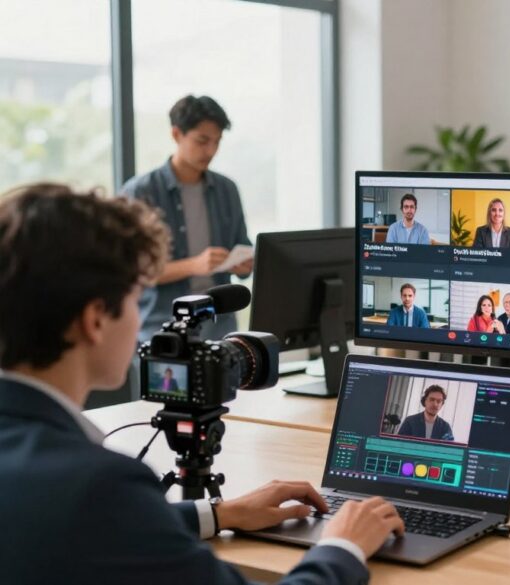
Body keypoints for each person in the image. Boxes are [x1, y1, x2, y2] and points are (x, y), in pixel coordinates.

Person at [0, 183, 404, 584]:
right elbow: (102, 512)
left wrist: (218, 514)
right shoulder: (100, 484)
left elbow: (93, 526)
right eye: (135, 299)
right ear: (95, 321)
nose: (140, 321)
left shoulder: (58, 479)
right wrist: (343, 546)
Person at [121, 95, 253, 342]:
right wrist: (194, 265)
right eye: (202, 141)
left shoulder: (227, 189)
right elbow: (134, 270)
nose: (211, 151)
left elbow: (243, 246)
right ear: (176, 134)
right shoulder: (140, 192)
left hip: (220, 330)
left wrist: (246, 263)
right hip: (163, 332)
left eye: (217, 142)